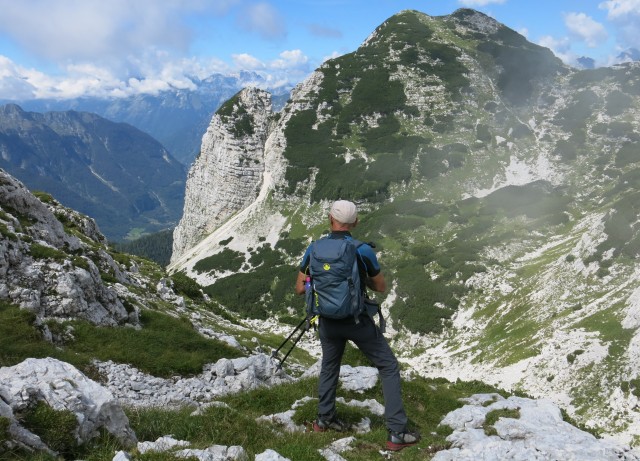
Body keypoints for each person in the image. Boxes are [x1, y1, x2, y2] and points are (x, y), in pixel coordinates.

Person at [295, 200, 420, 451]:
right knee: (387, 365)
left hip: (327, 322)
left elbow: (300, 288)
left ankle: (324, 419)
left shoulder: (314, 248)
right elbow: (380, 287)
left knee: (330, 366)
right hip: (356, 320)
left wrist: (315, 283)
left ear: (330, 219)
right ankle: (397, 432)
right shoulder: (362, 250)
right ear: (355, 222)